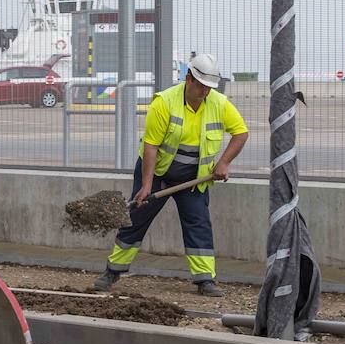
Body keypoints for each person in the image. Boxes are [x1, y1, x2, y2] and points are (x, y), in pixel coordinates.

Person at [92, 52, 249, 297]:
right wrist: (146, 185)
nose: (205, 92)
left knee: (198, 224)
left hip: (193, 179)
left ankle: (205, 280)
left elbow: (241, 133)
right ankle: (112, 271)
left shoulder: (219, 103)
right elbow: (151, 146)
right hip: (158, 174)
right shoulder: (164, 103)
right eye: (201, 87)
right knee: (135, 219)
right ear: (189, 79)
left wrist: (224, 163)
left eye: (209, 87)